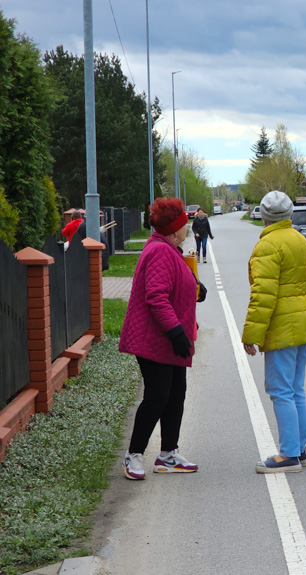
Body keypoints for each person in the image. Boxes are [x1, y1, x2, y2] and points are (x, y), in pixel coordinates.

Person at [119, 197, 200, 480]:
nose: (187, 228)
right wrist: (177, 332)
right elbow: (156, 297)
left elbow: (173, 284)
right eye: (183, 224)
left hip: (169, 338)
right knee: (157, 397)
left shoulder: (170, 249)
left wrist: (194, 287)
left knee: (176, 395)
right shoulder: (160, 251)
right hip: (156, 338)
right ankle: (134, 455)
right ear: (173, 228)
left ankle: (167, 455)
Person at [242, 190, 306, 473]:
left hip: (281, 328)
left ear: (263, 216)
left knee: (280, 390)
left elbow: (263, 295)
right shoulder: (300, 240)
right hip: (303, 322)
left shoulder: (267, 246)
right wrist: (299, 307)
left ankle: (288, 455)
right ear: (290, 214)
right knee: (296, 388)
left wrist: (252, 333)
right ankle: (300, 449)